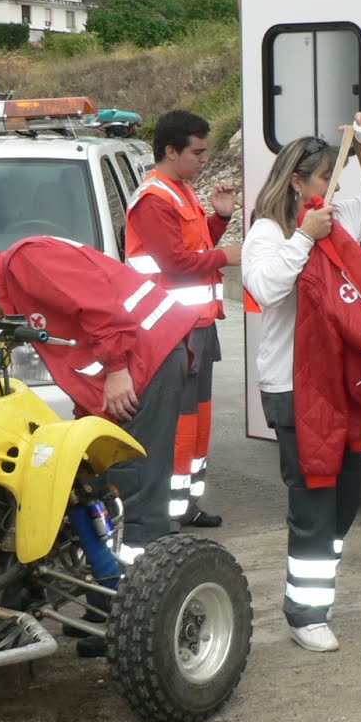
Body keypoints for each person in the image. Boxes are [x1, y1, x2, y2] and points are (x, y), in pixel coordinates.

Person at [241, 112, 361, 653]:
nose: (334, 192)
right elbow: (266, 288)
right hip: (292, 386)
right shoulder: (270, 231)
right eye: (324, 183)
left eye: (336, 183)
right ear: (297, 182)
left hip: (339, 382)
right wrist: (304, 240)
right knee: (314, 501)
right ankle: (306, 612)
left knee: (348, 498)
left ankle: (314, 569)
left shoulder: (338, 220)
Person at [0, 239, 198, 565]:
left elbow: (98, 303)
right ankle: (119, 584)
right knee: (107, 480)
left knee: (136, 482)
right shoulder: (20, 294)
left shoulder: (24, 261)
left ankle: (147, 585)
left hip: (145, 358)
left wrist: (117, 367)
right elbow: (76, 353)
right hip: (140, 360)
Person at [125, 109, 239, 529]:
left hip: (197, 327)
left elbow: (195, 247)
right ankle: (166, 516)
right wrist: (227, 255)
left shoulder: (181, 190)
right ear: (171, 151)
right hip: (172, 332)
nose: (204, 160)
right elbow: (175, 262)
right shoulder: (155, 199)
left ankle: (186, 505)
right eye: (198, 152)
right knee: (180, 426)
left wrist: (220, 219)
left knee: (199, 422)